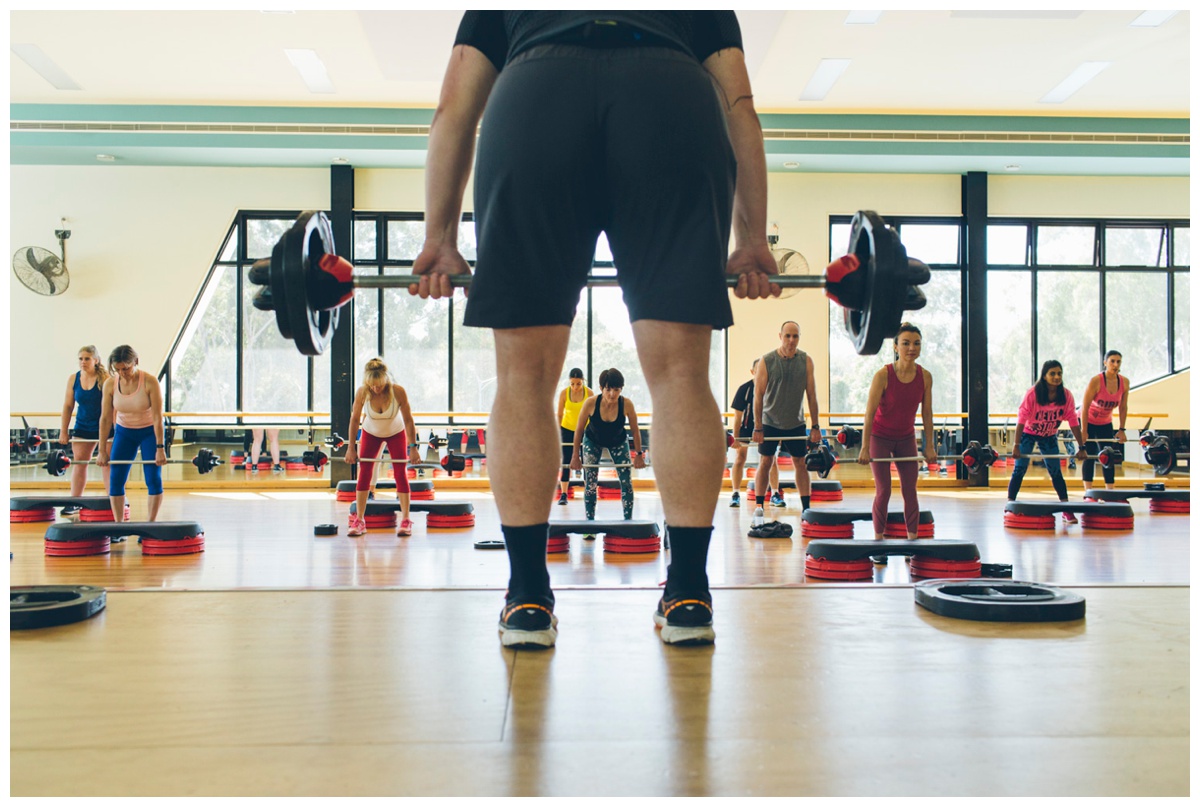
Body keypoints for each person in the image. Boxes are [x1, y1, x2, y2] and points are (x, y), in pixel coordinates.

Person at [412, 11, 778, 647]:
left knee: (523, 379)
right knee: (682, 374)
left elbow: (454, 109)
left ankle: (528, 600)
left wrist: (438, 238)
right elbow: (740, 108)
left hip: (534, 100)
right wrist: (751, 240)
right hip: (672, 103)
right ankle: (689, 594)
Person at [857, 323, 936, 541]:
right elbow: (869, 414)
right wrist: (864, 447)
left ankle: (912, 541)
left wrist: (929, 446)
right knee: (884, 490)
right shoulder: (883, 375)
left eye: (916, 343)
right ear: (895, 346)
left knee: (910, 490)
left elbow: (927, 414)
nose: (912, 348)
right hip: (879, 438)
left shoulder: (926, 377)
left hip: (906, 438)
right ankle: (878, 539)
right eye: (906, 343)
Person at [751, 321, 821, 526]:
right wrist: (757, 426)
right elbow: (758, 396)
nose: (791, 340)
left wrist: (815, 426)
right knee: (765, 462)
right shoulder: (767, 360)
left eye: (795, 336)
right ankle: (758, 508)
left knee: (800, 463)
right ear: (780, 336)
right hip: (769, 422)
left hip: (796, 422)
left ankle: (806, 508)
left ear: (799, 337)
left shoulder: (806, 360)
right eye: (788, 336)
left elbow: (812, 395)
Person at [344, 358, 419, 538]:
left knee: (400, 472)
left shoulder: (398, 391)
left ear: (385, 379)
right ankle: (360, 520)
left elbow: (408, 420)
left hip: (395, 432)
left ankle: (406, 520)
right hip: (371, 432)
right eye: (372, 385)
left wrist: (413, 447)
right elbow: (354, 420)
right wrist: (351, 447)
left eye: (379, 384)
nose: (376, 388)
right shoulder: (362, 392)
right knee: (365, 473)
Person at [1008, 360, 1087, 523]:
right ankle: (1010, 505)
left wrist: (1082, 447)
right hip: (1028, 434)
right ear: (1044, 376)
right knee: (1020, 469)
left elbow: (1073, 422)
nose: (1056, 377)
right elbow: (1021, 419)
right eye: (1052, 373)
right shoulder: (1033, 394)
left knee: (1055, 471)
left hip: (1049, 435)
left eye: (1059, 373)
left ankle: (1066, 510)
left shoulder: (1066, 396)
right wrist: (1016, 446)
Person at [97, 345, 167, 523]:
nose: (122, 373)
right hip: (124, 432)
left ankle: (150, 524)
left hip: (149, 432)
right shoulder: (110, 384)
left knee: (153, 478)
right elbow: (105, 418)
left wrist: (160, 447)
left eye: (126, 368)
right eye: (118, 369)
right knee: (116, 479)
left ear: (135, 362)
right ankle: (119, 525)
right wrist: (102, 450)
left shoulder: (150, 382)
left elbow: (159, 418)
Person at [570, 368, 645, 522]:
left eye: (616, 390)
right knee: (590, 482)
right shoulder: (590, 403)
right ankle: (589, 522)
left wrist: (639, 455)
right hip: (593, 441)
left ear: (621, 389)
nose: (612, 394)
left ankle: (628, 521)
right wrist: (575, 456)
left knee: (626, 482)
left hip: (618, 441)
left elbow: (635, 431)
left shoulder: (627, 404)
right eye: (608, 389)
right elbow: (578, 430)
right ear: (601, 388)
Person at [57, 345, 112, 513]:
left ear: (96, 360)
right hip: (82, 426)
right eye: (80, 358)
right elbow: (68, 406)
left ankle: (113, 501)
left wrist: (119, 429)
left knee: (107, 464)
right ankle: (74, 501)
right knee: (80, 462)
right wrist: (63, 431)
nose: (83, 362)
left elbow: (114, 407)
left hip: (105, 427)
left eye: (87, 358)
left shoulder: (106, 379)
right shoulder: (73, 379)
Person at [728, 358, 776, 507]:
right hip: (746, 428)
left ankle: (775, 493)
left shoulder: (772, 389)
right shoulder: (745, 389)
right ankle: (735, 493)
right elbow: (737, 417)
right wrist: (735, 438)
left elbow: (776, 413)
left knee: (770, 460)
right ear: (753, 371)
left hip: (767, 427)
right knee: (740, 458)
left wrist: (778, 434)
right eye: (758, 369)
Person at [1080, 350, 1129, 491]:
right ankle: (1088, 491)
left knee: (1108, 456)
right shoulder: (1096, 381)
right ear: (1105, 362)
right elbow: (1085, 407)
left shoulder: (1124, 382)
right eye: (1112, 361)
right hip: (1087, 420)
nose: (1115, 364)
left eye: (1118, 361)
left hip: (1105, 423)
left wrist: (1122, 430)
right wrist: (1083, 431)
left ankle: (1110, 490)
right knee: (1089, 455)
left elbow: (1123, 407)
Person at [555, 367, 590, 505]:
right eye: (572, 384)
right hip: (567, 430)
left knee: (587, 462)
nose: (575, 387)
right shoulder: (564, 393)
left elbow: (592, 413)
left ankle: (589, 493)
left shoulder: (589, 393)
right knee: (566, 462)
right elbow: (559, 414)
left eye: (578, 384)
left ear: (583, 381)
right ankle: (564, 494)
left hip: (584, 430)